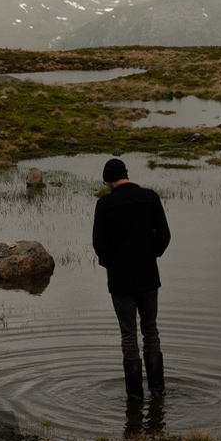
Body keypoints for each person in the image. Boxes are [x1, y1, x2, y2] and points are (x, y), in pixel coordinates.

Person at [92, 157, 171, 401]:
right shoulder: (150, 197)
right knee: (150, 330)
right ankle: (157, 392)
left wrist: (113, 265)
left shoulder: (105, 204)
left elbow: (99, 245)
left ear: (107, 180)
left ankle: (135, 396)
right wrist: (151, 255)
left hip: (121, 281)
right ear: (126, 175)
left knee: (129, 335)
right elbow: (164, 236)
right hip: (148, 277)